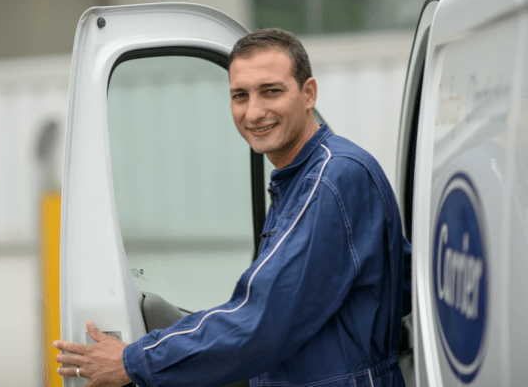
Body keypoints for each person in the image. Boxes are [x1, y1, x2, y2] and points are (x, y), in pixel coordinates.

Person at [54, 28, 411, 387]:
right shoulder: (300, 178)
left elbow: (262, 320)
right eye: (240, 95)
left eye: (271, 91)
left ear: (308, 94)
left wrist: (135, 361)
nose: (254, 112)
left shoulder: (332, 179)